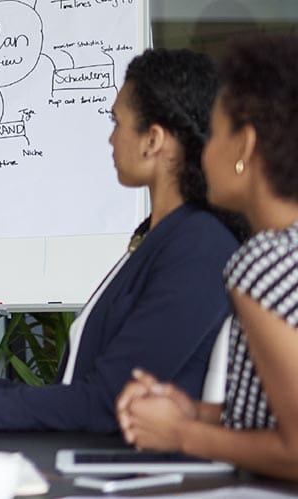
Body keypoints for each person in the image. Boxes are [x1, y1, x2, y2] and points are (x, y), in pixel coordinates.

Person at [0, 48, 241, 432]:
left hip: (133, 480)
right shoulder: (160, 237)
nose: (111, 139)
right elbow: (75, 392)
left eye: (117, 122)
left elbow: (104, 404)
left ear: (153, 140)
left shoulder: (198, 246)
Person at [117, 35, 298, 480]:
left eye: (215, 135)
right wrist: (196, 412)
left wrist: (181, 434)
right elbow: (271, 417)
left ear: (245, 147)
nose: (203, 150)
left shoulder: (264, 264)